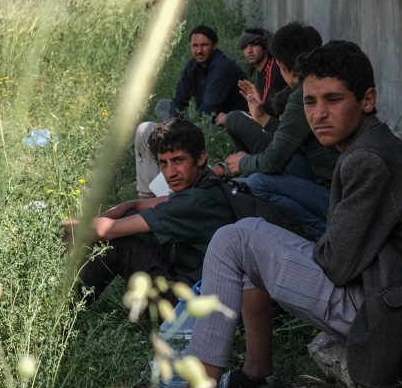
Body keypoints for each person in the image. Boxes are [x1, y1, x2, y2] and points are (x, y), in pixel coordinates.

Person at [185, 41, 402, 388]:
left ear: (367, 100)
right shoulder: (368, 146)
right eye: (310, 101)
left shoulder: (368, 160)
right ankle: (255, 370)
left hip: (389, 315)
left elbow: (338, 265)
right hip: (383, 290)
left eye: (333, 100)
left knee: (233, 242)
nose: (319, 114)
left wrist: (292, 251)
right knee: (244, 232)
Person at [65, 119, 237, 303]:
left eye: (178, 160)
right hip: (199, 284)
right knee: (131, 220)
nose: (170, 173)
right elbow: (138, 205)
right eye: (163, 163)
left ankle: (64, 308)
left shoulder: (195, 202)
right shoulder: (206, 181)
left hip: (191, 303)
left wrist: (59, 228)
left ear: (201, 158)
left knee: (120, 244)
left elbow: (104, 231)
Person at [212, 22, 339, 237]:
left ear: (281, 65)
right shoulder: (315, 85)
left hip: (336, 195)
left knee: (256, 183)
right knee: (247, 178)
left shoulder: (303, 95)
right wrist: (261, 117)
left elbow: (273, 160)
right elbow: (288, 140)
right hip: (321, 174)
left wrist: (242, 164)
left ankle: (323, 233)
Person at [135, 25, 247, 197]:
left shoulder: (222, 67)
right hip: (204, 116)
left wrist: (179, 129)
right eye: (195, 46)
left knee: (183, 127)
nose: (199, 51)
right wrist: (172, 126)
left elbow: (208, 109)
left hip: (224, 123)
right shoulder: (193, 66)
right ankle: (152, 182)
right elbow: (179, 100)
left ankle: (166, 171)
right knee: (163, 105)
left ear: (214, 46)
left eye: (204, 45)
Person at [215, 28, 286, 129]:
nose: (249, 51)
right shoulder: (257, 72)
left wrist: (230, 118)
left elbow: (266, 108)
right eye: (245, 47)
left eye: (254, 44)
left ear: (264, 47)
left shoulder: (273, 67)